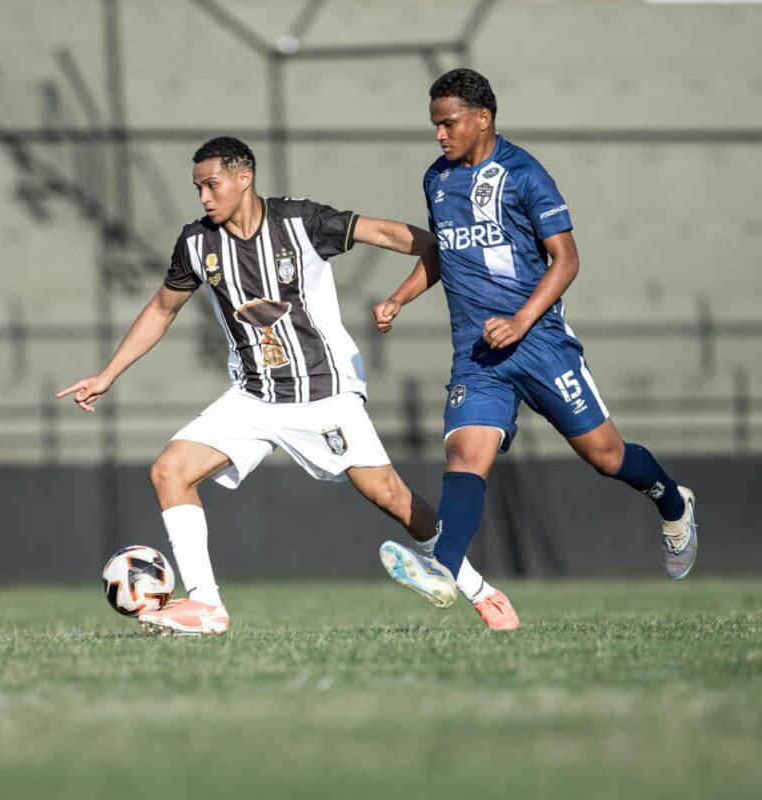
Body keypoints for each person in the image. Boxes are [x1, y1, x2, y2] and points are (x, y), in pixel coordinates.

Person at [57, 136, 519, 636]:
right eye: (198, 188)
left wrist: (415, 281)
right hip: (253, 396)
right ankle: (207, 606)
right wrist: (108, 373)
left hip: (324, 393)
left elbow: (401, 236)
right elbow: (162, 309)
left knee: (392, 497)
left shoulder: (301, 222)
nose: (204, 198)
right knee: (170, 471)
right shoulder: (196, 243)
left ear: (243, 177)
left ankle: (480, 591)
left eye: (212, 185)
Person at [371, 69, 698, 604]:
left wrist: (521, 321)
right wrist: (398, 298)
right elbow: (444, 253)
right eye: (434, 125)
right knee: (465, 456)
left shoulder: (524, 174)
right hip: (478, 355)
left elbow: (566, 261)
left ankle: (674, 504)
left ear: (483, 118)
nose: (439, 135)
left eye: (448, 124)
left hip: (540, 344)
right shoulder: (437, 179)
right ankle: (441, 569)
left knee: (606, 456)